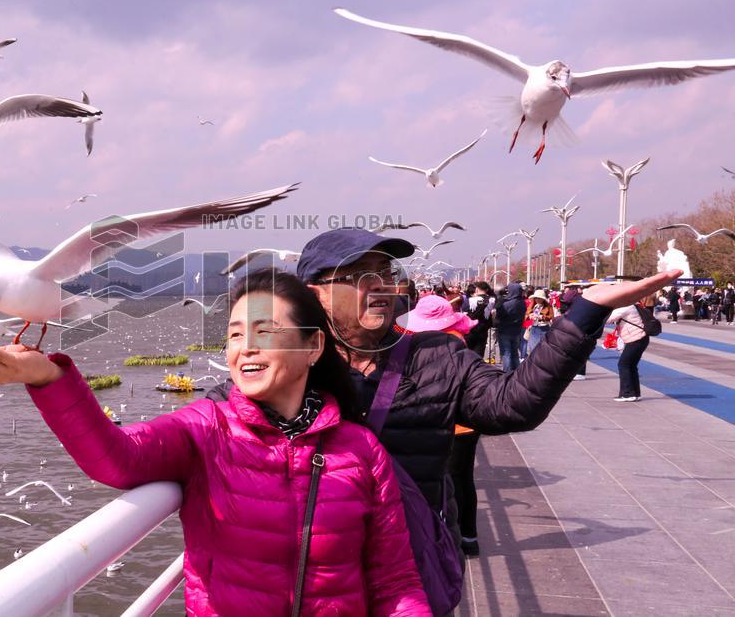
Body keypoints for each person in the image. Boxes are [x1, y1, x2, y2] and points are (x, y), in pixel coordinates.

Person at [0, 269, 432, 616]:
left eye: (265, 332)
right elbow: (116, 459)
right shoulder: (206, 429)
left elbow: (395, 583)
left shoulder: (360, 450)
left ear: (313, 347)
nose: (245, 347)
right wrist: (49, 377)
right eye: (235, 335)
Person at [206, 228, 680, 544]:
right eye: (363, 276)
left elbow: (513, 405)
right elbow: (208, 424)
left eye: (387, 274)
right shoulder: (286, 364)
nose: (383, 286)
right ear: (315, 293)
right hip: (320, 572)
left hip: (412, 565)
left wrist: (585, 313)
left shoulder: (435, 354)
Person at [401, 295, 484, 559]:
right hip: (468, 423)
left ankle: (452, 538)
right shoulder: (458, 339)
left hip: (448, 422)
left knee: (447, 482)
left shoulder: (435, 345)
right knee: (464, 479)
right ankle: (469, 538)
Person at [607, 295, 656, 402]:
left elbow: (608, 319)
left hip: (636, 339)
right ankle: (635, 393)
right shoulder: (633, 304)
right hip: (641, 338)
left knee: (623, 364)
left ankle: (628, 393)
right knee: (631, 365)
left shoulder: (626, 307)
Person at [494, 282, 527, 372]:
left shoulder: (507, 304)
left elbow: (498, 316)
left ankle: (507, 373)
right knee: (515, 352)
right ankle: (517, 372)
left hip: (505, 330)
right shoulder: (522, 302)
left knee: (506, 353)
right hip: (517, 331)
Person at [525, 290, 554, 355]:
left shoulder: (548, 306)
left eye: (539, 298)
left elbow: (551, 316)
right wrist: (530, 316)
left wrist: (542, 317)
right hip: (534, 328)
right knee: (532, 348)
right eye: (536, 298)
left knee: (542, 348)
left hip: (544, 328)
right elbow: (526, 315)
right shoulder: (533, 305)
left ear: (543, 299)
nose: (537, 300)